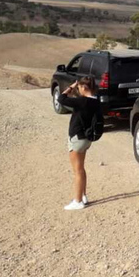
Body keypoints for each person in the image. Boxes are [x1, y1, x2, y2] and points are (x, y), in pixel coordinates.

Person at [59, 76, 101, 211]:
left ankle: (77, 201)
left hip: (77, 138)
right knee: (81, 169)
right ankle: (82, 196)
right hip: (86, 139)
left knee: (77, 171)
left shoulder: (82, 101)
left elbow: (61, 99)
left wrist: (70, 87)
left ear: (83, 87)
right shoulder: (96, 101)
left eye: (79, 88)